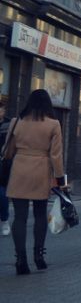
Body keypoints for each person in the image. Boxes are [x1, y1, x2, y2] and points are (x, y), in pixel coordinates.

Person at [4, 89, 67, 275]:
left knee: (20, 217)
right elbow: (56, 156)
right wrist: (60, 180)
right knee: (40, 214)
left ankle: (20, 259)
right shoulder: (53, 124)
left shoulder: (16, 122)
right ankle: (39, 256)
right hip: (41, 169)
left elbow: (8, 151)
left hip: (19, 169)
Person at [0, 96, 11, 236]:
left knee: (2, 194)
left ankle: (5, 220)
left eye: (1, 110)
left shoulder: (9, 124)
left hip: (4, 165)